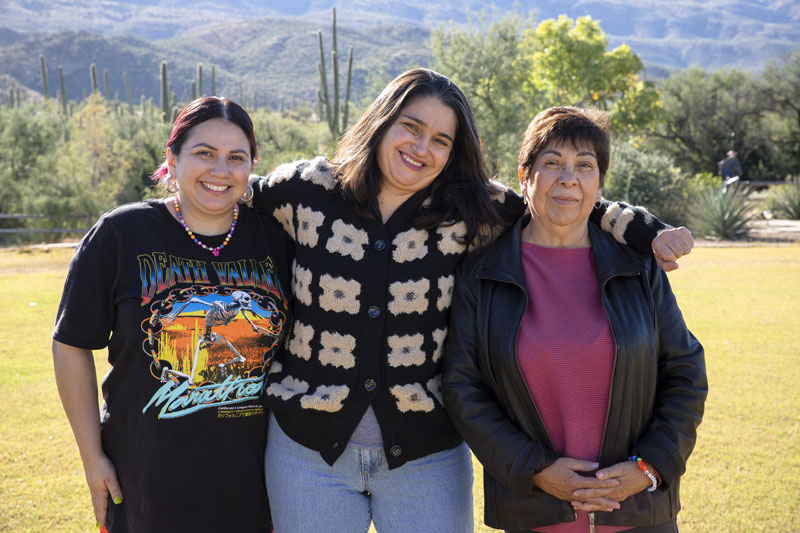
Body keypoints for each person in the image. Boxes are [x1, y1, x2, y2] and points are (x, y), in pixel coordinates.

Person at [250, 69, 694, 532]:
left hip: (425, 458)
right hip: (308, 452)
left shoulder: (472, 209)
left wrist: (647, 230)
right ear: (381, 121)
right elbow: (231, 189)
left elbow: (561, 199)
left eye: (441, 140)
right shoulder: (307, 190)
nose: (422, 149)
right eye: (411, 127)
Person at [442, 106, 707, 532]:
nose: (568, 178)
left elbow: (685, 370)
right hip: (533, 510)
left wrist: (650, 466)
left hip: (636, 512)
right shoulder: (480, 273)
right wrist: (534, 469)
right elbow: (462, 388)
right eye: (551, 163)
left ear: (598, 183)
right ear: (524, 176)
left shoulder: (639, 266)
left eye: (584, 165)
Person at [52, 97, 292, 532]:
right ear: (172, 158)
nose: (220, 171)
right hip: (146, 482)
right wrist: (92, 458)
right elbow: (70, 343)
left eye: (236, 158)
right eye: (204, 153)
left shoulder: (277, 242)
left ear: (251, 166)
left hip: (256, 487)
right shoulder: (121, 234)